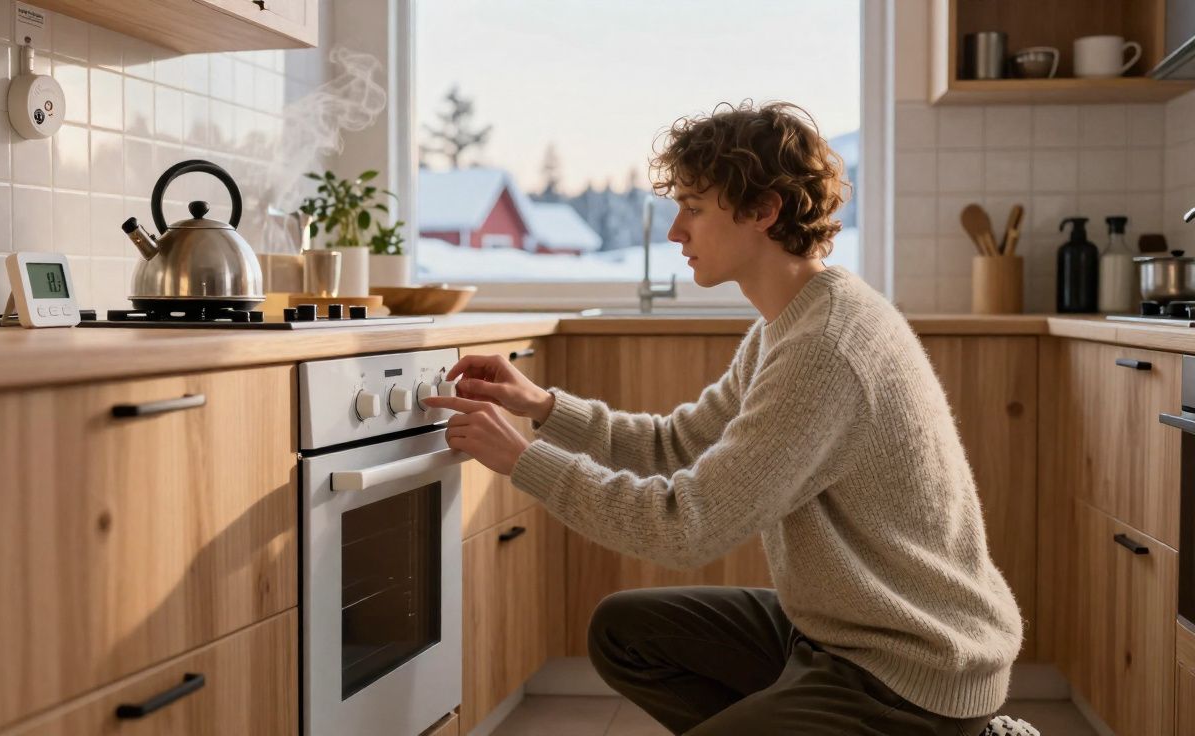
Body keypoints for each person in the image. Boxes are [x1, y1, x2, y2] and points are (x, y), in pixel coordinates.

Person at [421, 100, 1023, 735]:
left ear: (763, 211)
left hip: (909, 669)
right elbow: (678, 444)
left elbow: (688, 527)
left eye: (695, 208)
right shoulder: (789, 324)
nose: (676, 230)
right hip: (839, 631)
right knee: (624, 633)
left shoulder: (826, 347)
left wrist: (522, 460)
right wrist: (541, 406)